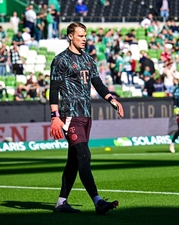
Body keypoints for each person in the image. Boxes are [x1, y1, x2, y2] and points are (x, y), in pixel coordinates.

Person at [49, 22, 124, 214]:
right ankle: (98, 202)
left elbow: (97, 83)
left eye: (85, 36)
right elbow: (54, 89)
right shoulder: (61, 60)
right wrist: (54, 117)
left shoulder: (89, 60)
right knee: (84, 156)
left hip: (86, 115)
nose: (84, 39)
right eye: (80, 36)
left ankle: (61, 203)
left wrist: (112, 99)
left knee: (74, 161)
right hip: (69, 116)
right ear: (70, 36)